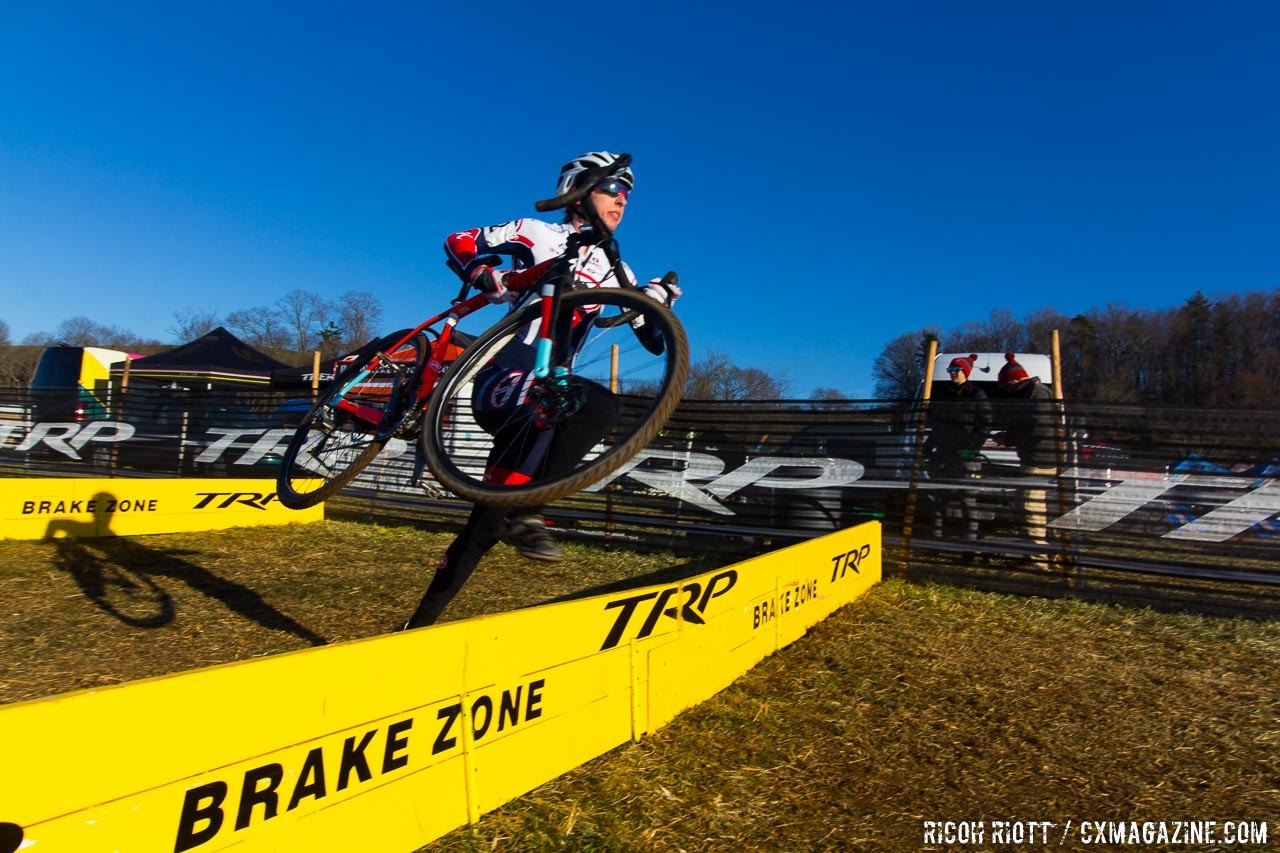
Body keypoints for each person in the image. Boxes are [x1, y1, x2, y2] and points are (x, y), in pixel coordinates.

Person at [404, 152, 680, 630]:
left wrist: (659, 303)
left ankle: (416, 625)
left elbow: (654, 343)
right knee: (584, 402)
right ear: (580, 188)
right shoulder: (539, 232)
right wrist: (483, 274)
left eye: (628, 195)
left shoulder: (620, 271)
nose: (622, 202)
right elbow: (459, 241)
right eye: (613, 189)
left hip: (551, 397)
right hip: (505, 380)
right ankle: (529, 511)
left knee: (486, 523)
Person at [923, 354, 991, 540]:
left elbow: (985, 425)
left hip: (965, 457)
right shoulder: (944, 396)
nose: (952, 373)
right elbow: (937, 426)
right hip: (943, 454)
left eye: (956, 370)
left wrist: (971, 448)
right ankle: (936, 540)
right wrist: (927, 448)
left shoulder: (977, 395)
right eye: (950, 370)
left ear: (965, 372)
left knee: (967, 500)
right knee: (939, 499)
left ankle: (970, 543)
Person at [993, 352, 1056, 551]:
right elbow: (1027, 425)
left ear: (1015, 381)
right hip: (1031, 459)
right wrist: (1008, 434)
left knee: (1031, 507)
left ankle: (1040, 558)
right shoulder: (1029, 396)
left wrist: (1010, 438)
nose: (1007, 391)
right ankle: (1028, 549)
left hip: (1041, 460)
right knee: (1022, 505)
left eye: (1007, 386)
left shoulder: (1038, 394)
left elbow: (1038, 428)